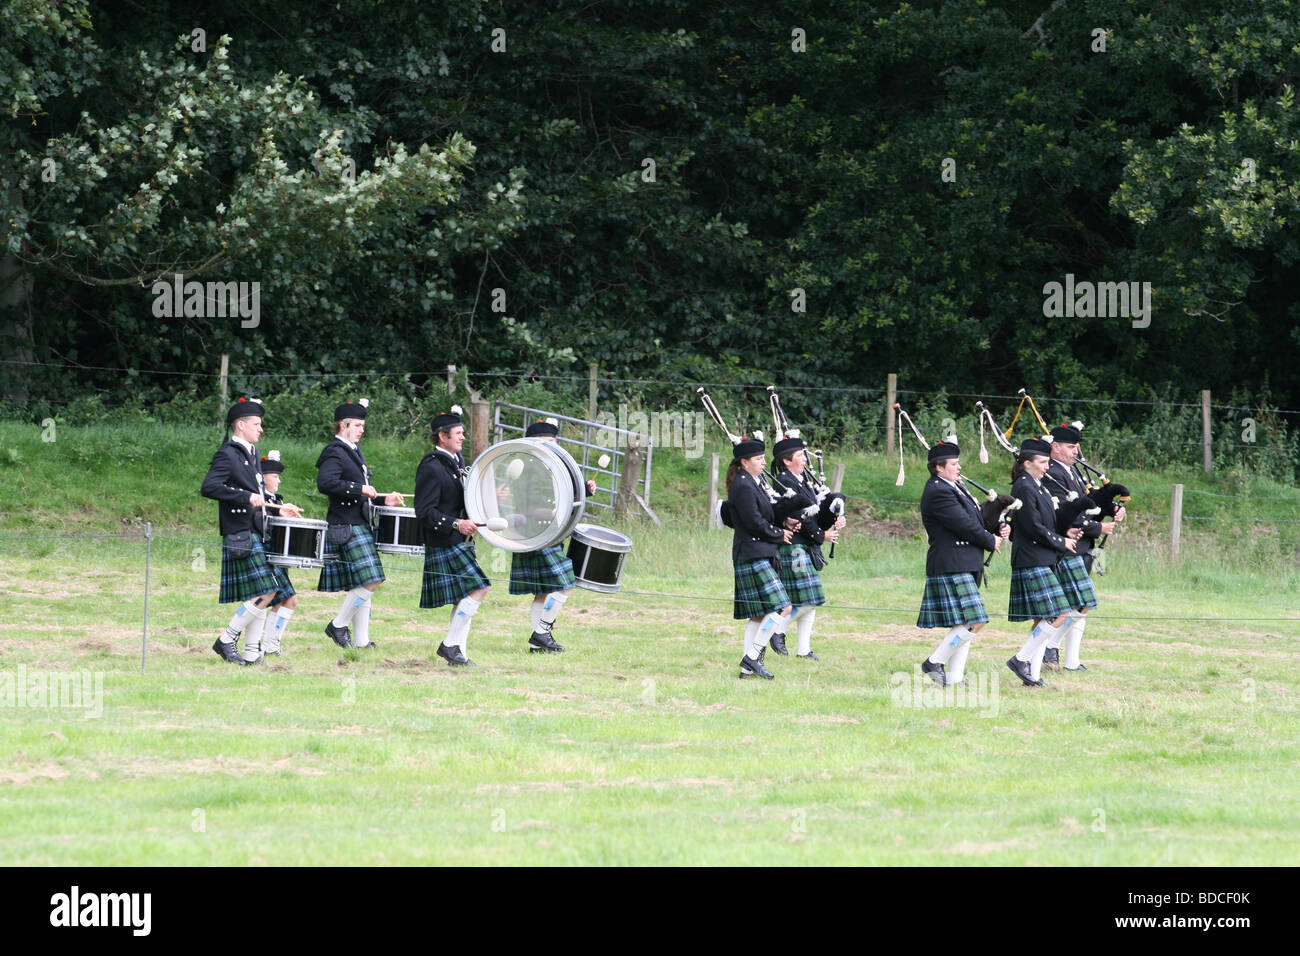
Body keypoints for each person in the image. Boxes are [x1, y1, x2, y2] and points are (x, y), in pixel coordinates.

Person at [916, 441, 1009, 686]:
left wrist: (997, 519)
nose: (959, 468)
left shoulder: (956, 486)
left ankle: (956, 678)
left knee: (965, 622)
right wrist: (990, 539)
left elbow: (975, 518)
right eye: (954, 464)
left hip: (964, 561)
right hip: (951, 561)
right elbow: (962, 524)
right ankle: (934, 662)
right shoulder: (938, 491)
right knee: (977, 620)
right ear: (939, 467)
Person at [316, 399, 404, 650]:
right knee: (372, 579)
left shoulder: (353, 451)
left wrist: (383, 498)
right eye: (356, 425)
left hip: (358, 522)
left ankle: (362, 641)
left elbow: (362, 492)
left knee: (363, 584)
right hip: (346, 523)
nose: (361, 429)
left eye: (362, 425)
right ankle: (338, 625)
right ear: (342, 426)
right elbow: (326, 483)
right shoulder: (334, 451)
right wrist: (359, 488)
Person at [506, 419, 598, 653]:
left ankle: (539, 643)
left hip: (551, 531)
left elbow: (563, 493)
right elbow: (528, 504)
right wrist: (556, 511)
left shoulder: (552, 466)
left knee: (544, 589)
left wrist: (584, 492)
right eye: (547, 442)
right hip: (534, 530)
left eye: (554, 442)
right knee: (565, 582)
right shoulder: (526, 467)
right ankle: (541, 632)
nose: (552, 447)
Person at [200, 397, 279, 665]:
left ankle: (252, 653)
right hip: (240, 531)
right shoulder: (228, 453)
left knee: (258, 593)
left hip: (254, 528)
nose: (261, 429)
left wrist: (278, 504)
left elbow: (256, 491)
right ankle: (226, 639)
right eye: (257, 424)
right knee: (267, 592)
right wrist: (244, 496)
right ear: (241, 425)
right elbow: (209, 487)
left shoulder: (252, 453)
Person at [1040, 423, 1124, 671]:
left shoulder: (1072, 471)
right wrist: (1098, 529)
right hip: (1067, 545)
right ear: (1055, 447)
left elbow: (1089, 503)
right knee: (1079, 603)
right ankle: (1048, 648)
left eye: (1076, 447)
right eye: (1071, 447)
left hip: (1082, 544)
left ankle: (1071, 660)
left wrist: (1111, 508)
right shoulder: (1052, 473)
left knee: (1079, 605)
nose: (1076, 452)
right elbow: (1064, 513)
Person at [415, 408, 491, 666]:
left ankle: (460, 653)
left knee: (465, 595)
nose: (462, 437)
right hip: (444, 540)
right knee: (480, 587)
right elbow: (424, 511)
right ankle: (449, 645)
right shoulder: (432, 467)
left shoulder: (457, 462)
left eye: (462, 433)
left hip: (461, 540)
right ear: (442, 436)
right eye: (458, 433)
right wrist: (457, 524)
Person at [1006, 438, 1079, 687]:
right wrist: (1060, 542)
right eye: (1043, 462)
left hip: (1041, 557)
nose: (1047, 467)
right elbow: (1032, 526)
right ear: (1027, 463)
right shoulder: (1024, 486)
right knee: (1061, 613)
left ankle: (1033, 676)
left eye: (1048, 462)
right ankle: (1021, 659)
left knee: (1042, 618)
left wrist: (1065, 533)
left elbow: (1047, 520)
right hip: (1032, 557)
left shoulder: (1037, 484)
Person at [770, 435, 845, 660]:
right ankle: (777, 630)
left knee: (809, 604)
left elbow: (816, 514)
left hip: (804, 547)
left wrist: (834, 514)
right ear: (786, 461)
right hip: (793, 546)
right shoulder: (783, 482)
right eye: (800, 456)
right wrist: (822, 536)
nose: (805, 459)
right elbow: (797, 516)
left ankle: (804, 651)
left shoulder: (802, 480)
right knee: (810, 600)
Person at [727, 434, 795, 679]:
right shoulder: (743, 486)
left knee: (758, 613)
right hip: (752, 552)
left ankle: (747, 668)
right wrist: (779, 533)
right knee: (783, 607)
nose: (764, 462)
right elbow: (754, 522)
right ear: (744, 462)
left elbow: (764, 514)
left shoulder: (752, 482)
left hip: (755, 552)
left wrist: (786, 517)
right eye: (759, 458)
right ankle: (753, 656)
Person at [258, 450, 303, 656]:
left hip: (277, 555)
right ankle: (236, 637)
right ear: (263, 478)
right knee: (265, 599)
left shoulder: (277, 499)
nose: (279, 481)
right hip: (265, 555)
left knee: (289, 600)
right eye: (275, 476)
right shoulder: (259, 500)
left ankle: (271, 646)